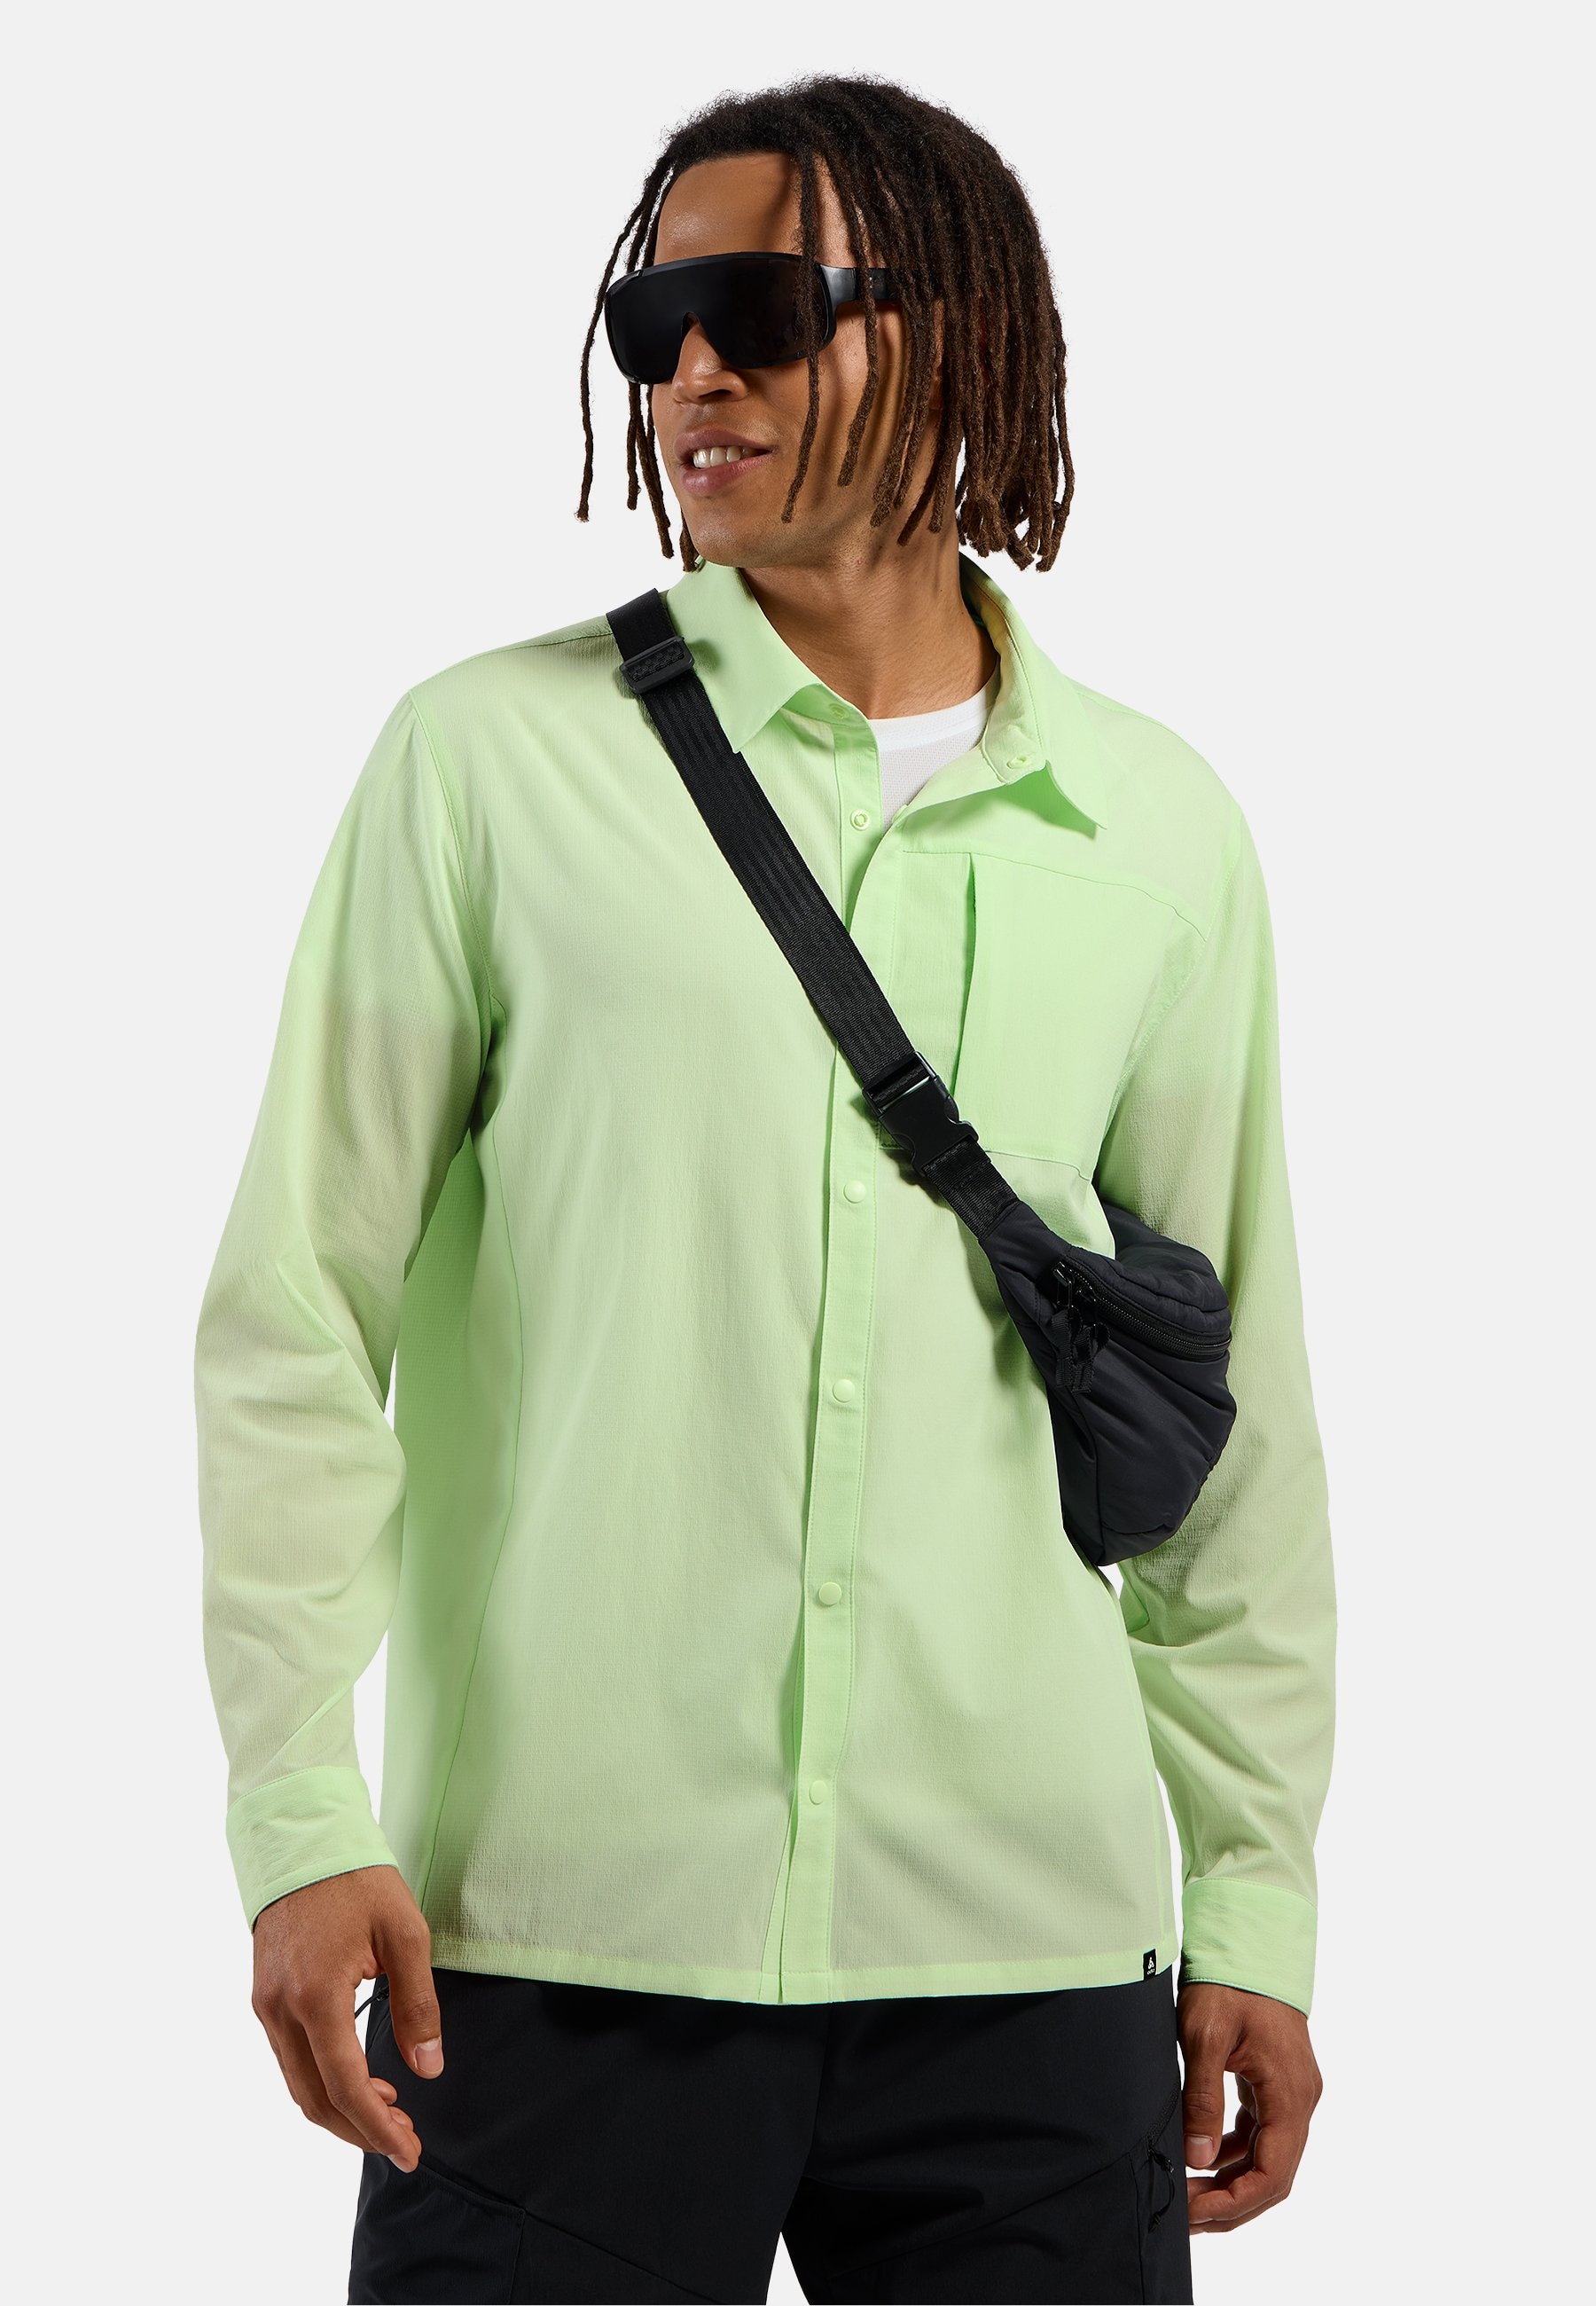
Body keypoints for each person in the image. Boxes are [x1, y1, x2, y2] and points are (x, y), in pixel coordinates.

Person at [196, 75, 1334, 2306]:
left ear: (958, 334)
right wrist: (297, 1816)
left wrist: (1258, 1903)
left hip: (1029, 1955)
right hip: (553, 1947)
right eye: (655, 327)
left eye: (764, 311)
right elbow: (294, 1322)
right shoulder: (486, 766)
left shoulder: (1158, 833)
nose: (694, 373)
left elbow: (1242, 1427)